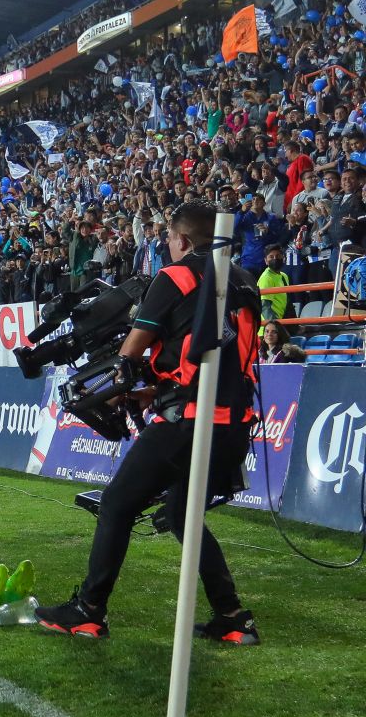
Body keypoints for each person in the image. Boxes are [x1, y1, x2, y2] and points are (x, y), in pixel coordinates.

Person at [35, 200, 263, 644]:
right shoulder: (243, 281)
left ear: (181, 240)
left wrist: (118, 386)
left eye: (169, 240)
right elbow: (213, 360)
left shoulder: (175, 276)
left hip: (189, 424)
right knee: (182, 514)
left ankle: (88, 610)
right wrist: (156, 392)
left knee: (118, 504)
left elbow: (129, 354)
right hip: (236, 427)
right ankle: (233, 618)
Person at [257, 245, 289, 320]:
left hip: (282, 322)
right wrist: (275, 326)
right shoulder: (266, 278)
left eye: (278, 256)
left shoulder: (284, 276)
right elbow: (265, 307)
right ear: (266, 261)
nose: (275, 259)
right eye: (271, 257)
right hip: (268, 328)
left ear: (283, 258)